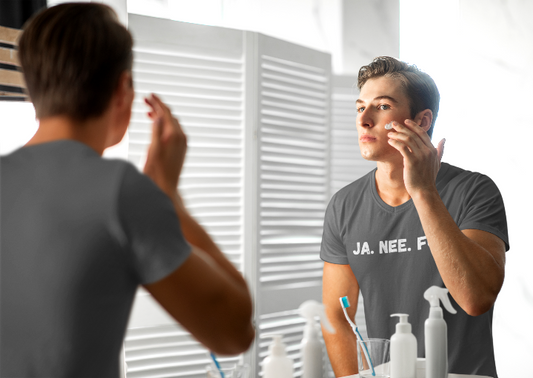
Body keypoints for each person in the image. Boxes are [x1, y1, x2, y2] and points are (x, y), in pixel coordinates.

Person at [0, 3, 254, 377]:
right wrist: (169, 196)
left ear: (33, 87)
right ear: (123, 89)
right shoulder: (121, 192)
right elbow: (235, 331)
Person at [321, 56, 508, 377]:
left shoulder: (474, 190)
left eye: (381, 107)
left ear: (421, 121)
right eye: (359, 107)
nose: (364, 120)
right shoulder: (344, 204)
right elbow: (338, 316)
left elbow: (476, 298)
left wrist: (423, 192)